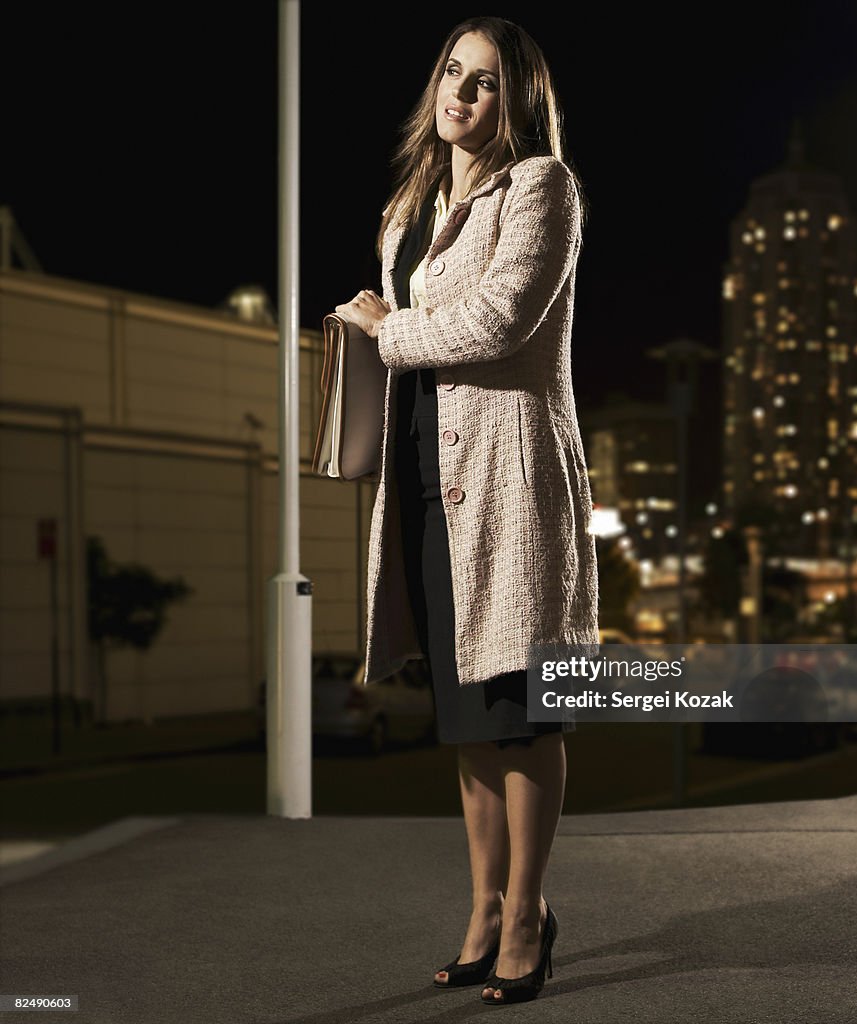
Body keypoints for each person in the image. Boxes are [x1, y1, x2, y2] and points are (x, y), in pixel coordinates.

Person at [335, 16, 598, 1006]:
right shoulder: (409, 202)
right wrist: (382, 327)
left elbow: (499, 319)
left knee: (519, 707)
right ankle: (485, 907)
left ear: (519, 102)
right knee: (466, 717)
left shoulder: (543, 188)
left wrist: (387, 326)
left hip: (507, 474)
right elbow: (423, 323)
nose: (464, 94)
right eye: (454, 73)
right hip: (424, 470)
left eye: (486, 83)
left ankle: (529, 910)